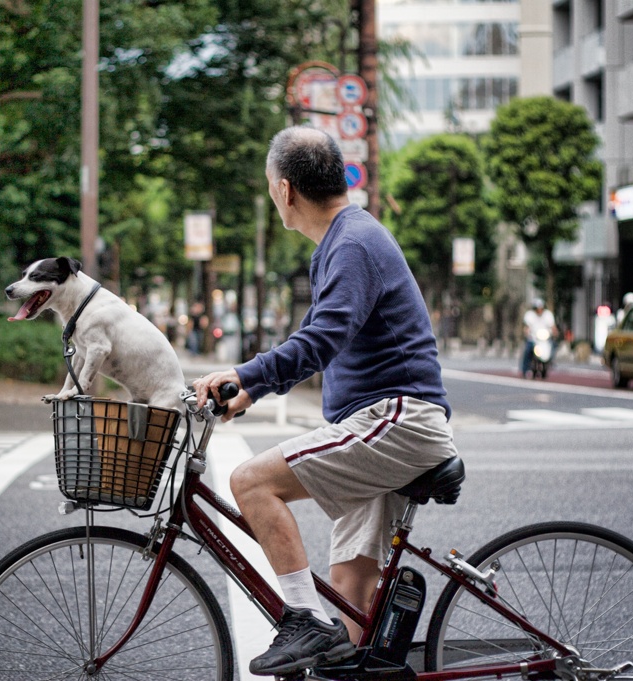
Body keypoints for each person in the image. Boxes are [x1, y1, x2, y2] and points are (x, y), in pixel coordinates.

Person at [194, 126, 458, 676]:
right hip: (382, 424)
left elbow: (318, 342)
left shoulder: (353, 243)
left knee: (250, 481)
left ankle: (303, 620)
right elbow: (320, 339)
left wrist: (241, 372)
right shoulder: (342, 242)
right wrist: (249, 390)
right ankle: (331, 635)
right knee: (350, 599)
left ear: (285, 190)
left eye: (270, 188)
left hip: (396, 421)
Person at [519, 298, 558, 377]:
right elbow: (526, 327)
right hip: (533, 338)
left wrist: (555, 332)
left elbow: (553, 327)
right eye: (537, 309)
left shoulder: (548, 315)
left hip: (545, 339)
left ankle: (551, 361)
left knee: (553, 346)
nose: (539, 310)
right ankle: (525, 369)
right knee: (528, 350)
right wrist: (526, 332)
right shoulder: (530, 315)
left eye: (541, 308)